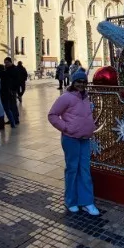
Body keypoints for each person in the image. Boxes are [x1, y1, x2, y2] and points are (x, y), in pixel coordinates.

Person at [47, 68, 99, 216]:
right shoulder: (66, 97)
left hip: (85, 139)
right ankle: (71, 200)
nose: (81, 84)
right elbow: (52, 115)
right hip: (71, 139)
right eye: (78, 81)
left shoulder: (86, 97)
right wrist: (66, 128)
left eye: (83, 82)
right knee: (72, 169)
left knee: (85, 170)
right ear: (73, 82)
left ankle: (87, 201)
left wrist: (91, 126)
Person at [0, 57, 19, 127]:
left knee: (13, 105)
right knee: (9, 105)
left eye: (7, 62)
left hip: (12, 89)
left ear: (10, 62)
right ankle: (11, 119)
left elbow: (16, 80)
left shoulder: (14, 69)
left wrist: (14, 88)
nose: (6, 64)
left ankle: (15, 119)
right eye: (5, 63)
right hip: (8, 90)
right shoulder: (7, 69)